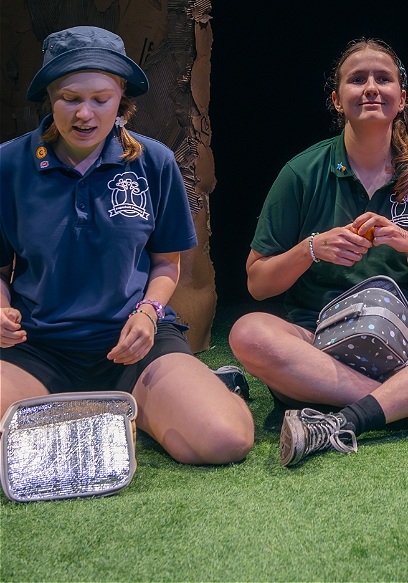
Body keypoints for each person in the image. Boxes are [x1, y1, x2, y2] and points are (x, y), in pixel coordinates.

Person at [229, 38, 408, 466]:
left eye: (384, 79)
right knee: (248, 333)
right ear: (337, 100)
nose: (371, 88)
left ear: (401, 98)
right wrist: (312, 249)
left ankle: (347, 418)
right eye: (357, 80)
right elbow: (257, 282)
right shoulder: (301, 173)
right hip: (320, 343)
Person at [0, 26, 254, 465]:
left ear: (122, 99)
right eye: (70, 98)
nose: (85, 113)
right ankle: (109, 416)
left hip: (134, 347)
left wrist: (148, 313)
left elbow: (167, 265)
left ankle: (192, 389)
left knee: (223, 440)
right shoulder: (8, 164)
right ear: (49, 98)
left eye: (101, 98)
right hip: (38, 351)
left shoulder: (154, 162)